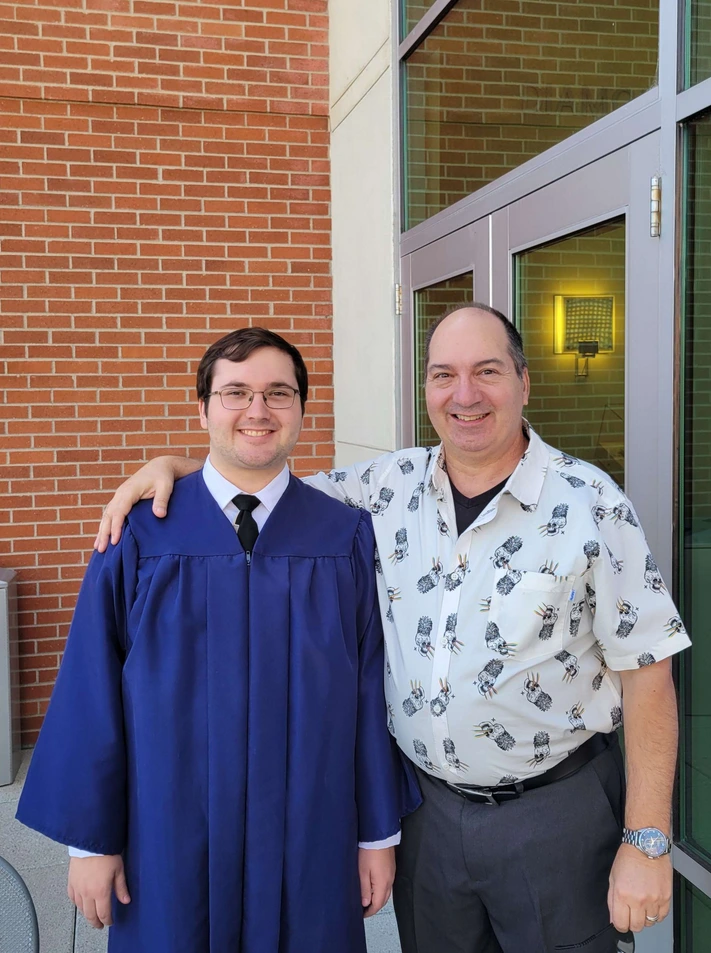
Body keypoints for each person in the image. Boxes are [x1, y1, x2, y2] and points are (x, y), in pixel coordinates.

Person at [95, 305, 690, 953]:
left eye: (486, 371)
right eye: (443, 374)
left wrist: (646, 839)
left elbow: (648, 673)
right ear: (427, 389)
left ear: (523, 381)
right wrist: (173, 465)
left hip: (551, 815)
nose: (464, 394)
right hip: (428, 818)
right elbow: (257, 483)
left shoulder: (590, 502)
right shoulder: (388, 486)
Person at [17, 327, 420, 953]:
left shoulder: (344, 536)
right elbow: (90, 687)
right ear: (202, 408)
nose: (257, 411)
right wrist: (92, 842)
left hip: (310, 836)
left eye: (278, 393)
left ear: (301, 411)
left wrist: (376, 836)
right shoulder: (138, 538)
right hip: (167, 838)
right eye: (235, 393)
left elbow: (371, 691)